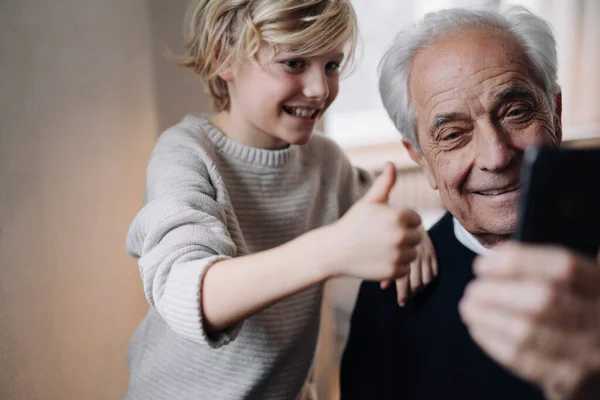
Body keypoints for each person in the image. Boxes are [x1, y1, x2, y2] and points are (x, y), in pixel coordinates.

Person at [122, 1, 438, 399]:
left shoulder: (326, 162)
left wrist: (410, 232)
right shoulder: (184, 154)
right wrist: (332, 249)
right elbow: (189, 294)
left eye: (332, 65)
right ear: (224, 56)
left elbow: (376, 221)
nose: (320, 89)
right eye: (293, 63)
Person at [341, 5, 600, 400]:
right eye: (454, 134)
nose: (496, 156)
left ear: (556, 113)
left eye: (515, 113)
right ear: (420, 159)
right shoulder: (390, 295)